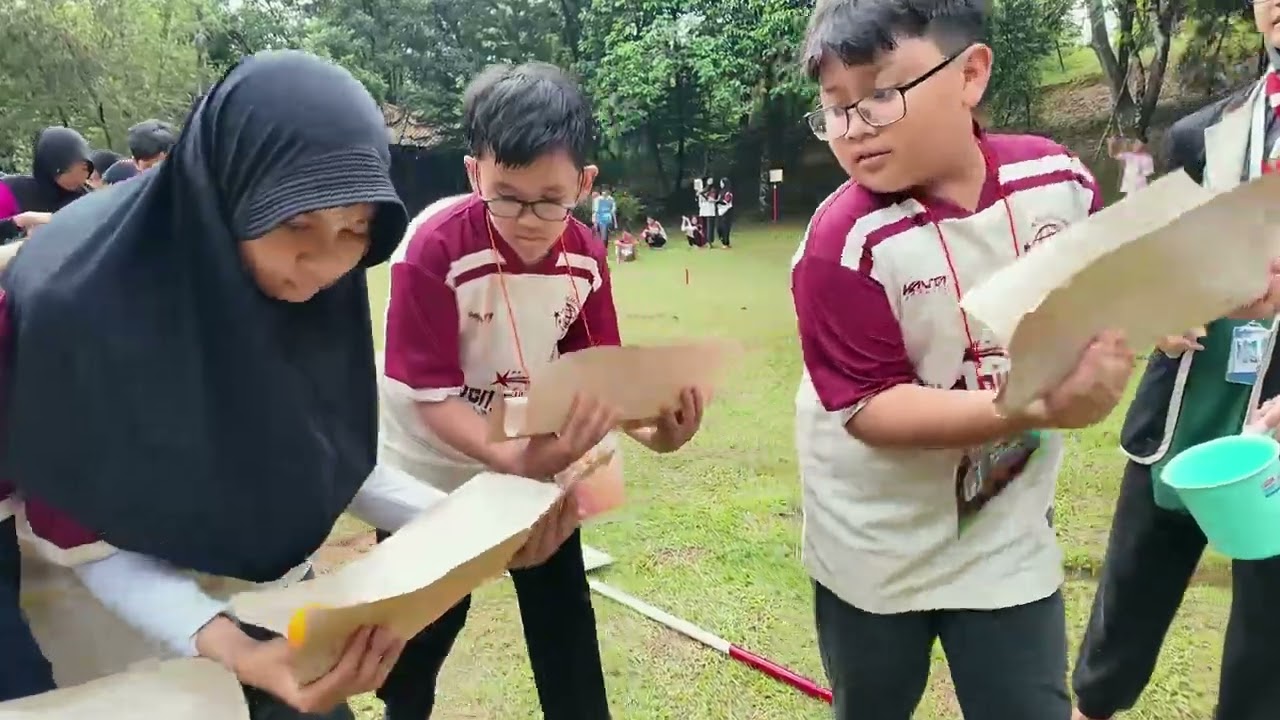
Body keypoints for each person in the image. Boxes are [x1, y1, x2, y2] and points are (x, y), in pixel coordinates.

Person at [0, 50, 527, 719]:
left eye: (354, 232)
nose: (321, 264)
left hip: (255, 583)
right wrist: (238, 651)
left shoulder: (299, 290)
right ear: (221, 197)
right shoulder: (72, 315)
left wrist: (470, 528)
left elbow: (321, 449)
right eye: (295, 225)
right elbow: (83, 540)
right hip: (107, 612)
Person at [790, 1, 1143, 718]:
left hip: (1004, 528)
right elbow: (870, 406)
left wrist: (1166, 308)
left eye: (881, 94)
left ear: (970, 73)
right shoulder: (839, 245)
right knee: (873, 704)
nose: (855, 126)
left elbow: (1104, 284)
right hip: (874, 540)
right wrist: (1023, 407)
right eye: (835, 107)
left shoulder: (1058, 181)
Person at [376, 61, 706, 720]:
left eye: (550, 199)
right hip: (428, 471)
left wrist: (657, 430)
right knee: (417, 639)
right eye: (507, 195)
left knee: (564, 627)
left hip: (535, 462)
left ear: (584, 185)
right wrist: (507, 458)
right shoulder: (432, 250)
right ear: (474, 175)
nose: (529, 219)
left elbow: (596, 376)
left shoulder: (585, 254)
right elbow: (428, 396)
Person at [1069, 7, 1280, 718]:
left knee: (1267, 644)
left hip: (1275, 426)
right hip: (1188, 407)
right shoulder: (1201, 136)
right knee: (1126, 602)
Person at [0, 127, 92, 243]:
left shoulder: (88, 199)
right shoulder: (10, 190)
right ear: (50, 167)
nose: (77, 177)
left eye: (83, 169)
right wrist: (17, 223)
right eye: (67, 170)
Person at [714, 179, 734, 248]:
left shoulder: (728, 192)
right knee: (718, 227)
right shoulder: (721, 192)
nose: (720, 184)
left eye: (721, 183)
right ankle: (723, 240)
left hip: (727, 211)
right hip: (720, 211)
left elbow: (726, 201)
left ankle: (726, 243)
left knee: (725, 228)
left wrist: (717, 201)